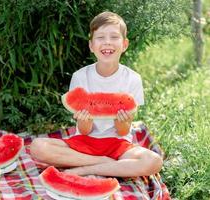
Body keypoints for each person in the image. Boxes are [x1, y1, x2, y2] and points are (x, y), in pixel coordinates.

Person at [30, 11, 163, 177]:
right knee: (37, 146)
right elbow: (84, 131)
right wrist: (85, 122)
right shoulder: (80, 76)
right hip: (84, 142)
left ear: (125, 44)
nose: (107, 42)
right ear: (91, 46)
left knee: (154, 161)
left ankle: (86, 169)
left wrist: (122, 122)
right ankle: (106, 164)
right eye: (100, 37)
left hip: (118, 145)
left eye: (114, 37)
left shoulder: (133, 79)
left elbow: (123, 131)